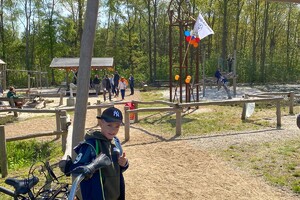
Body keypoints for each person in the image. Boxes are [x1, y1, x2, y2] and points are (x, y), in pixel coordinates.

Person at [59, 107, 129, 200]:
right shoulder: (91, 145)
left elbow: (117, 168)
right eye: (109, 125)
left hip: (115, 193)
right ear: (101, 123)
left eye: (117, 126)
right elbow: (76, 168)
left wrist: (124, 163)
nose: (113, 130)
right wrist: (88, 168)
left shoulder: (115, 142)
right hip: (97, 195)